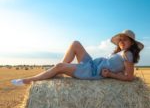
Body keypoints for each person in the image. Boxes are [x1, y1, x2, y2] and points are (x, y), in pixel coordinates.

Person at [11, 29, 144, 86]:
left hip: (91, 72)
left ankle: (28, 80)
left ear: (131, 43)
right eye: (120, 40)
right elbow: (123, 70)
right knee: (75, 43)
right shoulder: (121, 53)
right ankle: (58, 71)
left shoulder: (128, 54)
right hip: (92, 64)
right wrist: (117, 71)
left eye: (125, 40)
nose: (121, 42)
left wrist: (110, 74)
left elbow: (129, 77)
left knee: (59, 66)